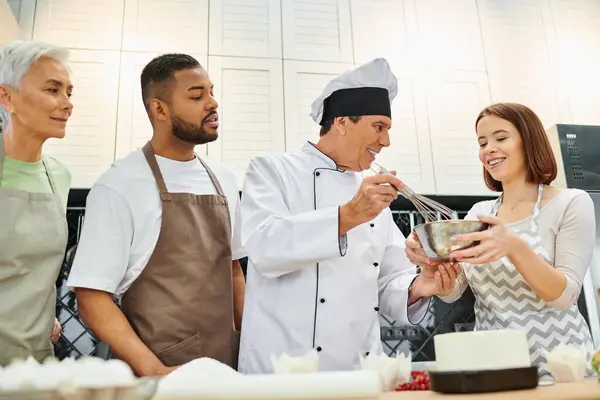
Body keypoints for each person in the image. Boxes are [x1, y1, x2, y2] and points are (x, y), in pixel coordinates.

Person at [237, 58, 460, 374]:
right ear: (341, 121)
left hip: (356, 372)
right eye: (378, 127)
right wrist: (347, 216)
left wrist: (420, 284)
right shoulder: (272, 170)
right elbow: (263, 248)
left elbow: (388, 279)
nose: (386, 141)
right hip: (280, 370)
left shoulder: (370, 194)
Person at [67, 53, 246, 376]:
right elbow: (92, 296)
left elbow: (233, 270)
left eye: (211, 91)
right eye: (197, 95)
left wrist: (252, 347)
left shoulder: (224, 180)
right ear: (159, 108)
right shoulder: (120, 184)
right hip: (153, 376)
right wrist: (155, 370)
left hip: (225, 371)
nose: (213, 103)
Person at [405, 102, 596, 378]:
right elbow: (454, 290)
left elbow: (565, 297)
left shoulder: (570, 203)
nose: (488, 149)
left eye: (500, 138)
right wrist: (436, 271)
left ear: (529, 141)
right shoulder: (480, 213)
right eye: (482, 143)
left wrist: (514, 245)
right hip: (494, 369)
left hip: (561, 368)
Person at [0, 40, 73, 365]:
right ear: (7, 97)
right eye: (52, 90)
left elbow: (34, 270)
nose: (67, 104)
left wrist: (45, 314)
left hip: (36, 360)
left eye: (69, 92)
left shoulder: (59, 176)